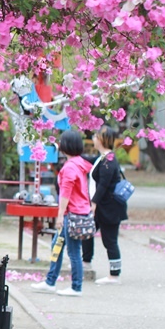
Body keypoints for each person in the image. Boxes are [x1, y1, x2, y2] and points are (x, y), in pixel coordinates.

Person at [31, 129, 92, 296]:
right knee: (56, 245)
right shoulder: (79, 164)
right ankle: (50, 281)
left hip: (71, 215)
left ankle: (76, 287)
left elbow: (65, 194)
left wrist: (59, 216)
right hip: (78, 213)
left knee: (73, 251)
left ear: (65, 146)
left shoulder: (70, 167)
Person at [82, 126, 128, 284]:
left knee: (110, 240)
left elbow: (103, 185)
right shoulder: (102, 158)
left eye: (96, 136)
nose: (93, 138)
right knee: (87, 232)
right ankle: (86, 262)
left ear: (102, 139)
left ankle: (114, 275)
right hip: (102, 208)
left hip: (109, 209)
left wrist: (93, 203)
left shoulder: (109, 161)